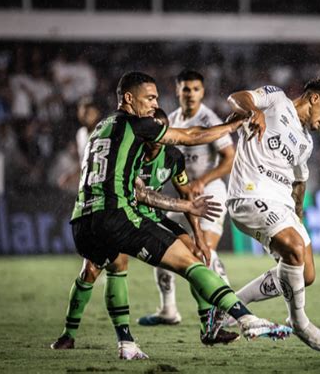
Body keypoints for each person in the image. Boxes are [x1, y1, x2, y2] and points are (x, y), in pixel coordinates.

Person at [51, 71, 291, 360]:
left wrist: (190, 217)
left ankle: (127, 344)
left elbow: (171, 185)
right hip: (117, 214)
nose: (154, 104)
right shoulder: (138, 127)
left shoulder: (101, 127)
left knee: (117, 265)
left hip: (82, 222)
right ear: (129, 98)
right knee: (189, 264)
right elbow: (191, 137)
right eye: (150, 98)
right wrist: (237, 124)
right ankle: (248, 320)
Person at [50, 109, 239, 351]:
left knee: (194, 255)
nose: (155, 139)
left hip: (152, 217)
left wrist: (199, 238)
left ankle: (209, 328)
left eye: (160, 133)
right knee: (93, 270)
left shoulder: (173, 157)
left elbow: (187, 195)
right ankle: (68, 334)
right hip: (122, 216)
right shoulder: (131, 152)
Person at [221, 77, 320, 352]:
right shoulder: (276, 100)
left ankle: (229, 307)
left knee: (306, 275)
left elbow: (300, 180)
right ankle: (299, 321)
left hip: (282, 205)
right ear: (314, 98)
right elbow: (236, 97)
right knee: (293, 247)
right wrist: (254, 112)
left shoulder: (306, 142)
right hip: (250, 194)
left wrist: (298, 215)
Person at [138, 70, 236, 326]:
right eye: (186, 89)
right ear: (177, 91)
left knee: (206, 251)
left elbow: (229, 158)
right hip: (183, 193)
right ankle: (168, 310)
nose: (190, 94)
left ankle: (228, 306)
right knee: (160, 242)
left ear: (202, 92)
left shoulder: (209, 118)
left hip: (209, 192)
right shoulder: (170, 119)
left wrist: (202, 181)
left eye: (195, 89)